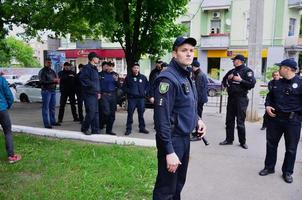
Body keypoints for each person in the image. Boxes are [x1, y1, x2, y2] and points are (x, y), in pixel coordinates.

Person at [152, 37, 206, 200]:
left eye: (191, 50)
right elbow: (162, 119)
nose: (189, 54)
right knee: (166, 188)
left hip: (183, 139)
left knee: (178, 184)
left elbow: (186, 104)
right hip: (172, 140)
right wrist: (169, 151)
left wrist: (197, 119)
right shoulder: (168, 78)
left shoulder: (185, 74)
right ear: (174, 53)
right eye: (184, 50)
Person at [259, 59, 302, 184]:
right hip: (275, 119)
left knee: (291, 149)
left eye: (281, 67)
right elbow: (269, 97)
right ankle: (269, 167)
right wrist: (267, 106)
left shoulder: (300, 83)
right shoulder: (277, 83)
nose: (278, 69)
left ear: (287, 69)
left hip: (293, 121)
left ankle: (287, 172)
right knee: (271, 145)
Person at [219, 54, 256, 149]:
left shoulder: (248, 71)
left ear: (239, 61)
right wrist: (226, 83)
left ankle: (242, 142)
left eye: (234, 60)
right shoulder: (232, 71)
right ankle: (229, 139)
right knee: (229, 120)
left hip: (241, 99)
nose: (233, 61)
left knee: (240, 121)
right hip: (231, 99)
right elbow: (223, 80)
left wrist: (240, 80)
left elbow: (251, 84)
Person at [122, 63, 149, 135]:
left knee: (141, 114)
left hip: (141, 99)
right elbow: (124, 87)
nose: (136, 69)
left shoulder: (143, 77)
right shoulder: (128, 78)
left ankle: (142, 128)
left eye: (137, 68)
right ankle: (128, 129)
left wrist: (145, 92)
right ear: (132, 69)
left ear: (139, 69)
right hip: (132, 99)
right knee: (130, 114)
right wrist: (130, 92)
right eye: (135, 68)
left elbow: (147, 86)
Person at [0, 75, 21, 163]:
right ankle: (11, 156)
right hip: (1, 109)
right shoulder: (1, 80)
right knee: (8, 132)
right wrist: (7, 105)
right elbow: (9, 95)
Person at [79, 52, 101, 135]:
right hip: (89, 93)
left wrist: (98, 92)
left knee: (95, 112)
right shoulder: (86, 68)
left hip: (95, 93)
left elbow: (97, 82)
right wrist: (92, 86)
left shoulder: (95, 68)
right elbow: (83, 79)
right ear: (93, 59)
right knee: (91, 112)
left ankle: (95, 129)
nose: (98, 59)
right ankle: (84, 128)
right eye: (97, 58)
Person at [38, 58, 61, 129]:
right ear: (45, 63)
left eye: (50, 63)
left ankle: (53, 121)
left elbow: (55, 79)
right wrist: (53, 81)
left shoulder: (52, 71)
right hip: (46, 91)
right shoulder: (42, 71)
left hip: (53, 90)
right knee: (45, 108)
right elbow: (41, 82)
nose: (50, 64)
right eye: (48, 62)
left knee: (52, 107)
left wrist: (57, 81)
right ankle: (46, 123)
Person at [98, 61, 119, 135]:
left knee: (112, 114)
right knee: (106, 112)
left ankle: (109, 130)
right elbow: (98, 85)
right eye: (108, 66)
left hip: (113, 95)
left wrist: (116, 80)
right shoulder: (100, 75)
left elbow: (119, 86)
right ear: (106, 67)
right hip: (104, 95)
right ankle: (101, 124)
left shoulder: (115, 74)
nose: (110, 67)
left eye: (111, 66)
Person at [190, 60, 208, 142]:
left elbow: (198, 90)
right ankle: (197, 132)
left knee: (198, 116)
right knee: (197, 115)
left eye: (192, 66)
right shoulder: (198, 74)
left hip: (199, 100)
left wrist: (195, 100)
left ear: (194, 67)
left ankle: (198, 134)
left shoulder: (200, 75)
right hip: (200, 99)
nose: (191, 68)